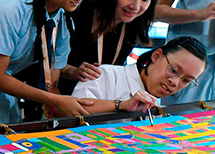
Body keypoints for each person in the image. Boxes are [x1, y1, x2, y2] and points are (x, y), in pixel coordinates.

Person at [58, 0, 164, 95]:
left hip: (99, 99)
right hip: (63, 96)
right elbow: (46, 62)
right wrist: (73, 71)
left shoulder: (135, 24)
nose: (136, 6)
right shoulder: (79, 10)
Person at [73, 36, 207, 114]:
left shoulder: (156, 110)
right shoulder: (105, 75)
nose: (175, 82)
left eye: (186, 80)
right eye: (173, 70)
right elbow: (72, 113)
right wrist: (121, 105)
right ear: (157, 56)